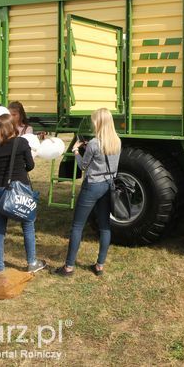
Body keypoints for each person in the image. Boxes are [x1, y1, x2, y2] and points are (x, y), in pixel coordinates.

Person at [53, 108, 121, 277]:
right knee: (105, 225)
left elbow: (83, 166)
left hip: (92, 186)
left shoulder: (93, 144)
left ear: (98, 123)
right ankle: (100, 265)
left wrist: (76, 150)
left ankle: (68, 267)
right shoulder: (117, 141)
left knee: (77, 226)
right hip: (108, 185)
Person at [0, 114, 46, 273]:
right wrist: (20, 170)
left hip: (0, 189)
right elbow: (31, 165)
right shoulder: (21, 143)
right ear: (12, 127)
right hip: (21, 189)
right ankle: (31, 262)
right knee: (27, 226)